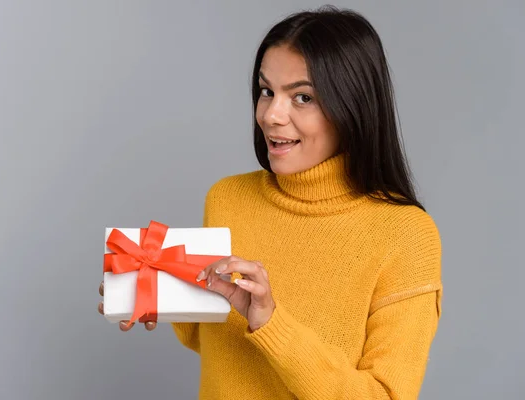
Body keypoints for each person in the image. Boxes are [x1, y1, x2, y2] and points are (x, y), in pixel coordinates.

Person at [98, 6, 442, 400]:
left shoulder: (406, 235)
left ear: (352, 108)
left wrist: (271, 323)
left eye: (302, 97)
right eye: (267, 91)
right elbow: (218, 345)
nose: (271, 115)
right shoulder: (228, 198)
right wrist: (151, 294)